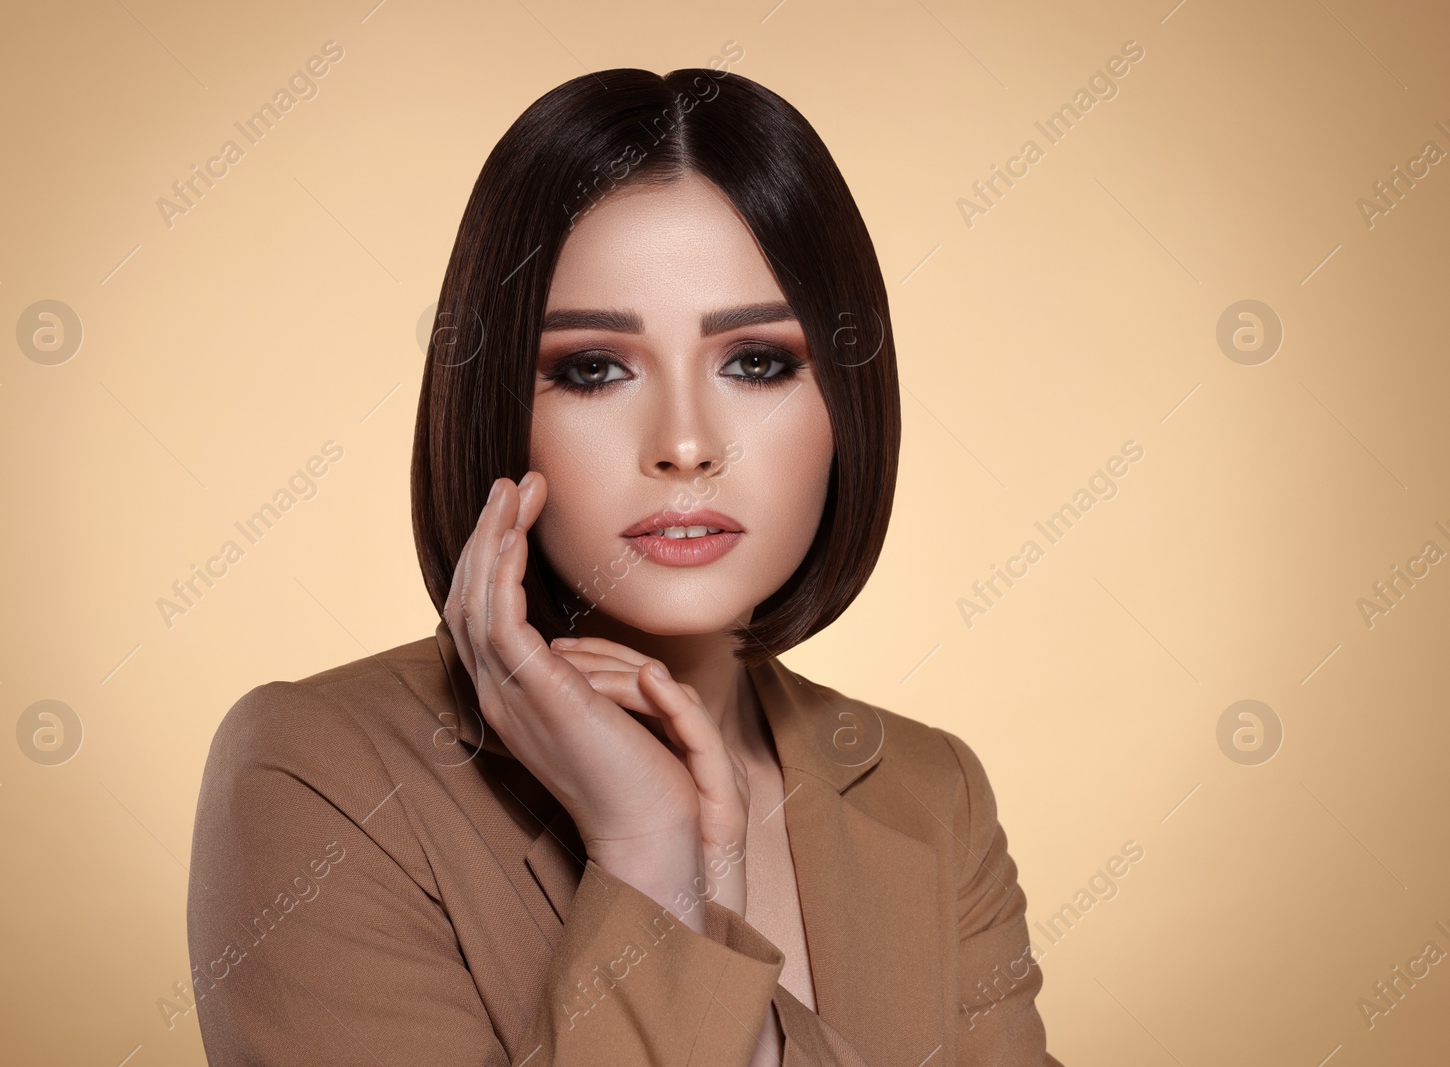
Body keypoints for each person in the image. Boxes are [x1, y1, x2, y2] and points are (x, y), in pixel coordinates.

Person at [186, 66, 1063, 1066]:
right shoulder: (321, 773)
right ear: (500, 410)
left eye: (757, 361)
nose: (685, 443)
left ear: (844, 406)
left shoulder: (927, 788)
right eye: (593, 368)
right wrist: (651, 857)